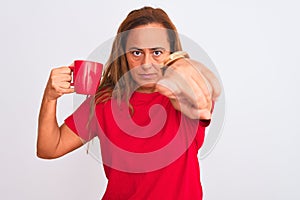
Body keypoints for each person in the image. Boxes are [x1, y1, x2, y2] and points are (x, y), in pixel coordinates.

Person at [37, 6, 221, 199]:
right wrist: (49, 97)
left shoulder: (185, 93)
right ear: (123, 54)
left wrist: (179, 71)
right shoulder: (104, 102)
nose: (146, 63)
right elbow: (49, 148)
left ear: (171, 53)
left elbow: (200, 101)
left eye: (157, 52)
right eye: (136, 53)